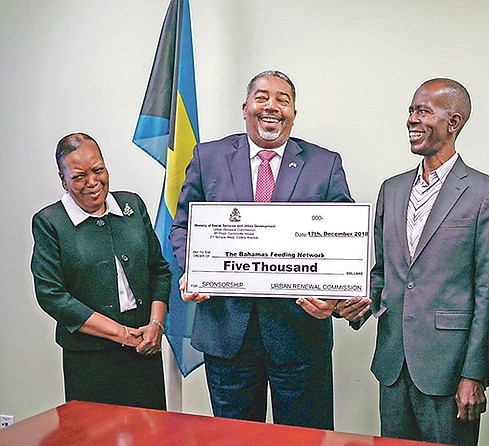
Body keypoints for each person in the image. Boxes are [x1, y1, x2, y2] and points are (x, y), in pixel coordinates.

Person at [169, 70, 353, 429]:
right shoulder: (209, 157)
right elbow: (183, 226)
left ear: (294, 113)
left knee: (306, 439)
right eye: (262, 97)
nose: (272, 106)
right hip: (227, 334)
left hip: (300, 336)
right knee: (234, 439)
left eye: (283, 99)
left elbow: (342, 240)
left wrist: (332, 294)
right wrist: (195, 267)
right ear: (245, 107)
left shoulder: (325, 164)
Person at [339, 78, 489, 445]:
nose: (411, 120)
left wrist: (474, 374)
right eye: (410, 111)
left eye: (423, 111)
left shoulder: (487, 193)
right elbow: (381, 274)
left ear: (453, 122)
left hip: (449, 372)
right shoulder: (392, 188)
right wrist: (353, 306)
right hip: (393, 364)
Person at [31, 132, 170, 410]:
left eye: (98, 170)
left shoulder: (132, 205)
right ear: (63, 180)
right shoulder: (50, 222)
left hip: (144, 349)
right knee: (94, 435)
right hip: (89, 359)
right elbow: (52, 296)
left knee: (152, 434)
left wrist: (155, 325)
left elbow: (159, 270)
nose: (92, 182)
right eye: (79, 176)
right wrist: (121, 334)